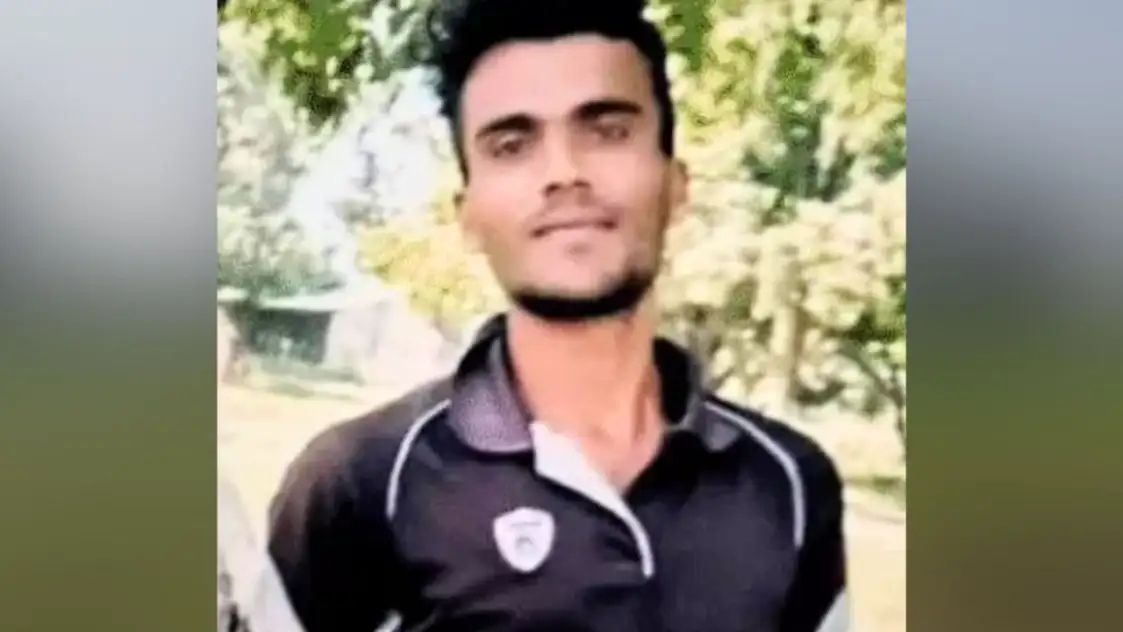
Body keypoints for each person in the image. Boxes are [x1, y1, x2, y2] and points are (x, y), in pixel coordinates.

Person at [267, 1, 848, 630]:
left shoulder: (791, 484)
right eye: (512, 145)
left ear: (676, 184)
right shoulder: (361, 482)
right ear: (468, 214)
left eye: (607, 130)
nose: (565, 173)